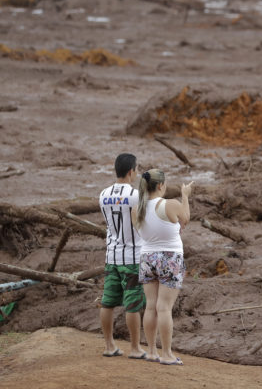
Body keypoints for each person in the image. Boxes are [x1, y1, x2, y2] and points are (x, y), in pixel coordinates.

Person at [134, 168, 193, 365]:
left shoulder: (137, 208)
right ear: (160, 185)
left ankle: (151, 351)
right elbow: (185, 218)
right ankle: (166, 354)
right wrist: (185, 196)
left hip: (147, 257)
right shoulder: (170, 204)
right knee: (164, 308)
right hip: (169, 257)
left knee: (151, 306)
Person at [99, 153, 147, 359]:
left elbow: (109, 225)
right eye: (136, 169)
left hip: (112, 256)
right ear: (131, 171)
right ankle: (135, 348)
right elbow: (142, 223)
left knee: (107, 302)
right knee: (133, 304)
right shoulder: (136, 195)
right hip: (132, 258)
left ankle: (109, 346)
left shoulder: (103, 194)